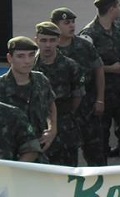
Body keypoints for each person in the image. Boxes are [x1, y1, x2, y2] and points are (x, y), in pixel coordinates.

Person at [79, 0, 120, 165]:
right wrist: (110, 69)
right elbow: (83, 68)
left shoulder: (118, 28)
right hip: (101, 95)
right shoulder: (89, 35)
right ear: (111, 8)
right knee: (100, 139)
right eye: (119, 6)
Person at [51, 7, 106, 166]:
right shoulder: (51, 51)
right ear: (55, 25)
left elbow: (99, 70)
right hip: (64, 114)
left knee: (96, 155)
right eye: (66, 22)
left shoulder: (84, 46)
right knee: (67, 160)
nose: (71, 26)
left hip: (88, 108)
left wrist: (100, 99)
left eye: (73, 22)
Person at [32, 21, 84, 166]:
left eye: (52, 40)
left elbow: (77, 96)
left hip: (65, 127)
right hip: (37, 128)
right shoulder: (29, 67)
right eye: (43, 40)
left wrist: (65, 113)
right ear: (36, 40)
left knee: (68, 172)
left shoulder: (70, 66)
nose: (47, 45)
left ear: (58, 41)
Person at [1, 36, 57, 162]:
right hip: (13, 156)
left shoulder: (41, 80)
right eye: (20, 56)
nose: (27, 61)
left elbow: (51, 103)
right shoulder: (2, 86)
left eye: (31, 55)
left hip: (41, 150)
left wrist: (52, 129)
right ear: (10, 58)